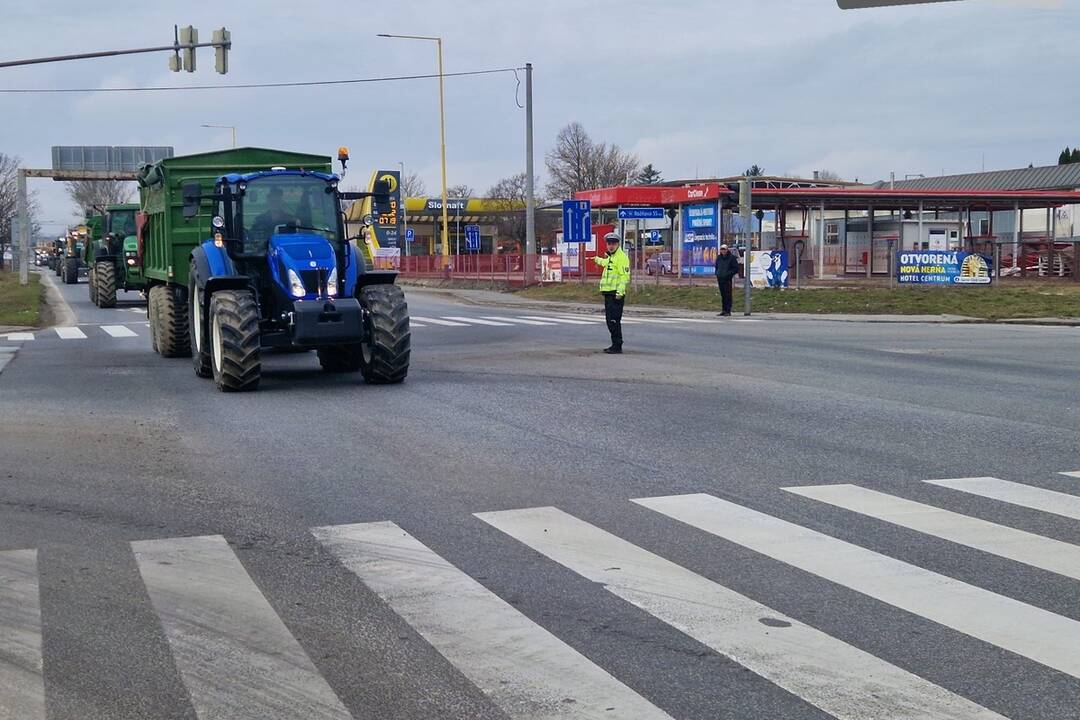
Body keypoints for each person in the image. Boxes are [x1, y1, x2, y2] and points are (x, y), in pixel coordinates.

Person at [592, 232, 631, 354]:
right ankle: (615, 344)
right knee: (609, 320)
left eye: (613, 243)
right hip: (608, 293)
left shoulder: (621, 257)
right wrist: (597, 260)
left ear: (618, 244)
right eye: (609, 243)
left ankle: (617, 345)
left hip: (616, 294)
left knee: (614, 320)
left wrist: (620, 292)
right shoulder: (611, 257)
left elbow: (624, 276)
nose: (611, 246)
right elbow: (607, 264)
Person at [714, 243, 741, 316]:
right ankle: (723, 310)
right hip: (720, 278)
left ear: (727, 250)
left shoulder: (731, 258)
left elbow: (736, 268)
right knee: (723, 295)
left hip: (727, 279)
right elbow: (716, 266)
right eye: (722, 249)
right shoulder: (719, 258)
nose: (723, 251)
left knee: (728, 295)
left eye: (724, 249)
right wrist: (717, 273)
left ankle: (728, 311)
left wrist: (728, 274)